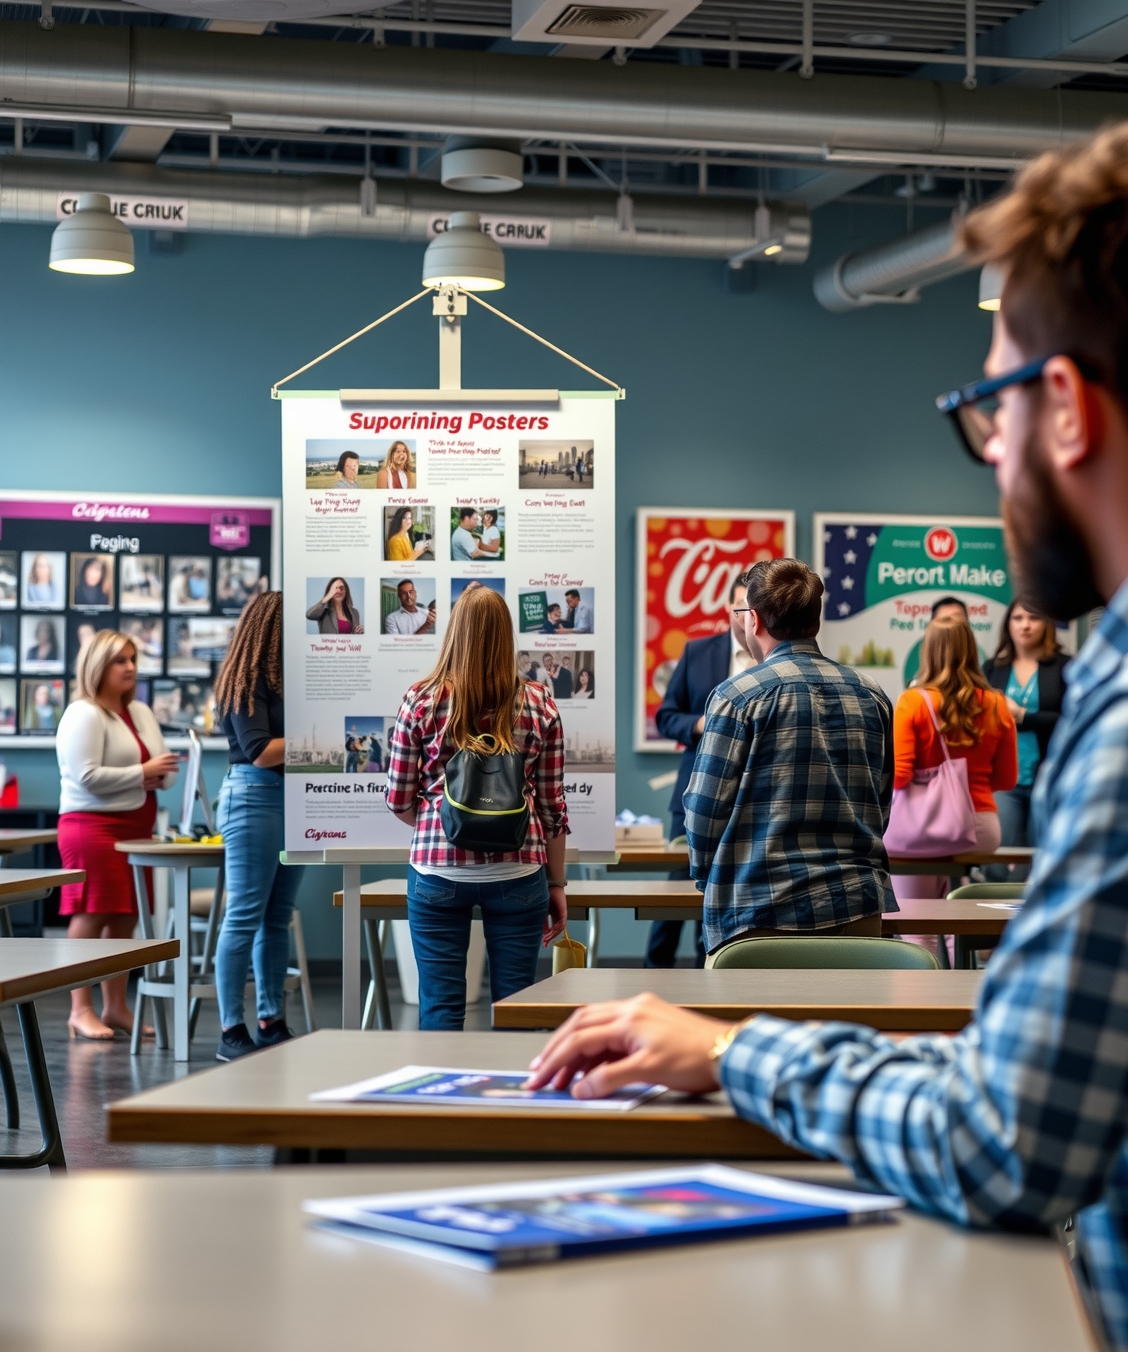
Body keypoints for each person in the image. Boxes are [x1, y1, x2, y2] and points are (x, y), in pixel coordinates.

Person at [528, 127, 1128, 1348]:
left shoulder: (1116, 724)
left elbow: (1002, 1141)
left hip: (752, 922)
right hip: (859, 909)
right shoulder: (877, 690)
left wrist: (732, 1050)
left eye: (990, 409)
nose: (993, 454)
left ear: (1063, 408)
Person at [685, 557, 894, 952]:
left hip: (758, 906)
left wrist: (709, 877)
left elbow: (705, 811)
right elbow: (880, 804)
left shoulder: (736, 696)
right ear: (815, 620)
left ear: (754, 620)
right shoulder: (872, 694)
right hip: (857, 902)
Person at [385, 585, 569, 1029]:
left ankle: (442, 1078)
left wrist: (442, 823)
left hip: (437, 871)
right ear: (507, 635)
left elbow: (398, 800)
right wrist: (557, 884)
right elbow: (552, 809)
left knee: (441, 1009)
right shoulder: (539, 702)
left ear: (454, 632)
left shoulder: (421, 699)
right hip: (519, 871)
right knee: (516, 1010)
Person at [55, 630, 179, 1040]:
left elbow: (165, 771)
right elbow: (86, 777)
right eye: (119, 661)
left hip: (136, 830)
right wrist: (142, 773)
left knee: (126, 916)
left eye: (132, 659)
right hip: (92, 828)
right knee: (92, 914)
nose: (130, 667)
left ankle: (116, 1008)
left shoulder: (139, 710)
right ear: (97, 666)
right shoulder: (83, 713)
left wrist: (150, 776)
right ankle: (80, 1010)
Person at [212, 592, 306, 1061]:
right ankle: (231, 1029)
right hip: (254, 796)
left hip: (290, 799)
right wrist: (316, 738)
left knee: (277, 915)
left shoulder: (284, 680)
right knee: (245, 914)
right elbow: (260, 751)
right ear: (272, 630)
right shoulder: (246, 681)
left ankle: (270, 1021)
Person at [647, 577, 752, 968]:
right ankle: (654, 971)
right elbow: (666, 717)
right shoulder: (697, 651)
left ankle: (706, 973)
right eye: (739, 607)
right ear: (727, 608)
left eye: (752, 609)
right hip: (695, 790)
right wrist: (702, 724)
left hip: (750, 796)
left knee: (728, 893)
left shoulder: (774, 658)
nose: (745, 617)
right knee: (677, 888)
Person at [891, 617, 1018, 903]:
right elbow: (1007, 779)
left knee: (916, 916)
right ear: (971, 650)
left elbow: (900, 776)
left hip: (921, 828)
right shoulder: (997, 704)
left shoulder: (912, 702)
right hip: (980, 829)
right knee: (953, 909)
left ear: (928, 651)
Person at [981, 599, 1069, 875]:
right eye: (1018, 618)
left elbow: (1071, 721)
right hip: (1004, 779)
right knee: (996, 859)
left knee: (1041, 861)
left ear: (1047, 624)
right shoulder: (993, 669)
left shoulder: (1064, 667)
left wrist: (1022, 717)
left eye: (1034, 618)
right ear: (1008, 624)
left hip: (1050, 778)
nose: (1025, 625)